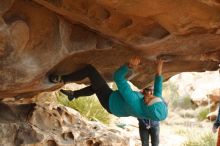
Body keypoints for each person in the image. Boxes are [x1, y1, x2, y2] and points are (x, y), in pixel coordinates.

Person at [49, 57, 168, 121]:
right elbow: (158, 91)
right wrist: (159, 67)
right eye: (153, 96)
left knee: (90, 71)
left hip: (110, 103)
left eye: (149, 98)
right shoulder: (154, 106)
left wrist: (129, 66)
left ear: (147, 105)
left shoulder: (134, 102)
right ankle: (73, 94)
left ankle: (62, 79)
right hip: (118, 103)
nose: (150, 95)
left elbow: (118, 78)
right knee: (96, 87)